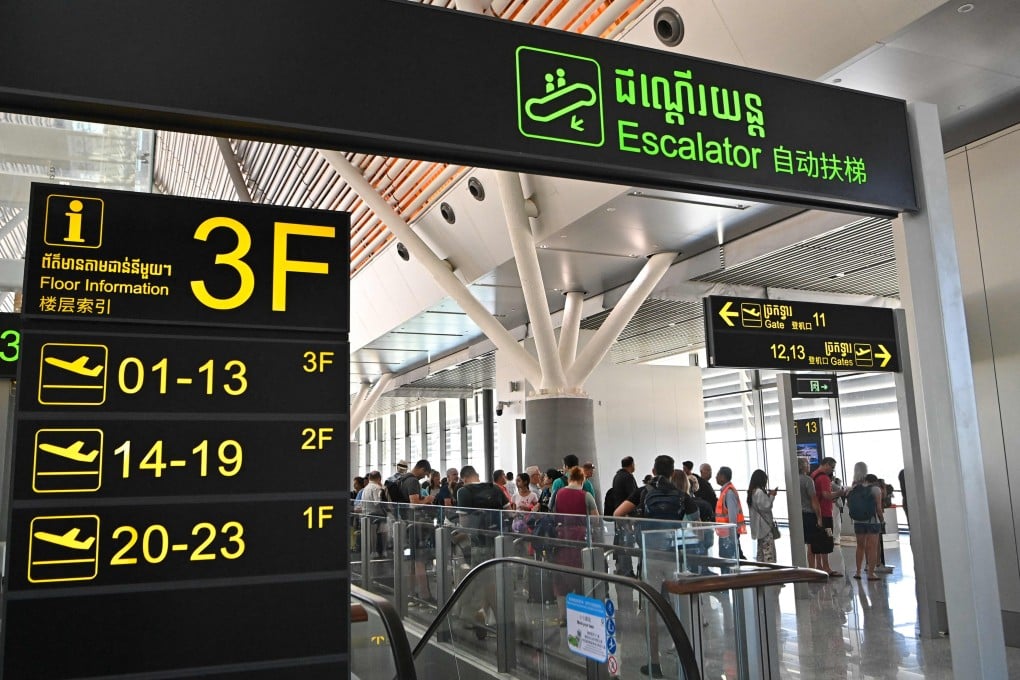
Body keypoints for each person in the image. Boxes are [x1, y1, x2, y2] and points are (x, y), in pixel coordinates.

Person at [457, 465, 510, 636]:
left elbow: (464, 523)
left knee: (483, 579)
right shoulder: (494, 488)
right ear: (477, 475)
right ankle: (495, 616)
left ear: (463, 478)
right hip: (499, 542)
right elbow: (509, 513)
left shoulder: (464, 492)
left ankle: (483, 612)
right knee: (492, 579)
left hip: (478, 543)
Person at [553, 467, 599, 625]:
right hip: (581, 540)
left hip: (561, 538)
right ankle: (581, 616)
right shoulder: (586, 496)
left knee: (560, 579)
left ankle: (562, 617)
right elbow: (596, 520)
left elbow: (552, 513)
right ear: (583, 479)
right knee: (581, 577)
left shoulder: (558, 493)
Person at [398, 459, 436, 605]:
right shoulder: (413, 481)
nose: (424, 477)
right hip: (414, 524)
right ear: (420, 468)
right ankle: (425, 595)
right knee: (420, 560)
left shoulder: (403, 479)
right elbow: (413, 503)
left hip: (406, 523)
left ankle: (412, 594)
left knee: (413, 561)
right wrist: (427, 499)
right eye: (424, 473)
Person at [811, 457, 846, 577]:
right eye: (832, 467)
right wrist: (839, 493)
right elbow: (826, 495)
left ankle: (819, 566)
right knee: (826, 540)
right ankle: (826, 568)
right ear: (826, 465)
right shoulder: (824, 478)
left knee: (817, 541)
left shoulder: (813, 475)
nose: (832, 470)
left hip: (816, 512)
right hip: (825, 513)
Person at [607, 457, 638, 576]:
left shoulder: (617, 476)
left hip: (618, 513)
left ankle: (622, 568)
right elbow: (633, 497)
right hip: (626, 516)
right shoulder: (628, 477)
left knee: (621, 540)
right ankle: (627, 571)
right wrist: (632, 517)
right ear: (631, 464)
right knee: (627, 542)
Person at [851, 473, 884, 581]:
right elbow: (878, 508)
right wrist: (882, 520)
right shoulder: (876, 489)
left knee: (860, 546)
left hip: (858, 521)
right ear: (875, 481)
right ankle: (871, 573)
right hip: (872, 521)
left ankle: (858, 572)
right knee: (872, 548)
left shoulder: (855, 488)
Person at [715, 466, 746, 564]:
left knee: (730, 561)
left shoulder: (729, 492)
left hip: (729, 534)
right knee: (730, 558)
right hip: (726, 533)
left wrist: (732, 536)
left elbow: (732, 516)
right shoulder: (725, 491)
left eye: (718, 475)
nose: (716, 477)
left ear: (723, 477)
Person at [747, 469, 778, 563]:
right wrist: (772, 496)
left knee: (761, 551)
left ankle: (761, 570)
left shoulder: (752, 491)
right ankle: (770, 571)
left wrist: (768, 495)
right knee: (768, 552)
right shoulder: (759, 492)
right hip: (764, 527)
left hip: (757, 526)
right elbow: (766, 506)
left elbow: (760, 505)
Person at [799, 457, 823, 569]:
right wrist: (819, 517)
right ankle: (812, 569)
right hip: (808, 515)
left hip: (798, 515)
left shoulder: (793, 480)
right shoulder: (808, 480)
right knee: (812, 544)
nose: (809, 465)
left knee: (800, 542)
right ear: (802, 466)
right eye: (807, 464)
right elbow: (814, 500)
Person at [359, 471, 387, 557]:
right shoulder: (377, 488)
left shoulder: (365, 489)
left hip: (366, 514)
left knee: (371, 534)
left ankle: (373, 551)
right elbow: (377, 502)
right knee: (383, 532)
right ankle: (383, 551)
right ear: (379, 478)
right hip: (377, 514)